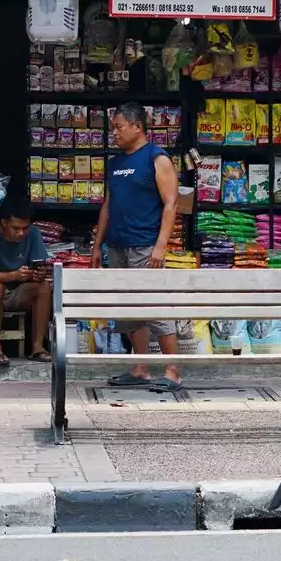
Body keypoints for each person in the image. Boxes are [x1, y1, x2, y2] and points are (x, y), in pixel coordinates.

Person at [90, 101, 182, 392]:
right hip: (117, 245)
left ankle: (173, 371)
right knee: (129, 308)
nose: (114, 133)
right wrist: (97, 245)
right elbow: (107, 205)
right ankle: (141, 367)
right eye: (113, 128)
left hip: (145, 245)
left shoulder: (157, 158)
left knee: (155, 306)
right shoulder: (115, 163)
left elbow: (171, 204)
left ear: (137, 126)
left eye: (119, 127)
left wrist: (160, 246)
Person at [0, 199, 52, 367]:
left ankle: (37, 348)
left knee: (44, 287)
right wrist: (15, 275)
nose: (21, 233)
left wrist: (38, 274)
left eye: (24, 228)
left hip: (19, 291)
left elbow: (39, 265)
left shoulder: (33, 233)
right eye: (16, 228)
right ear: (4, 223)